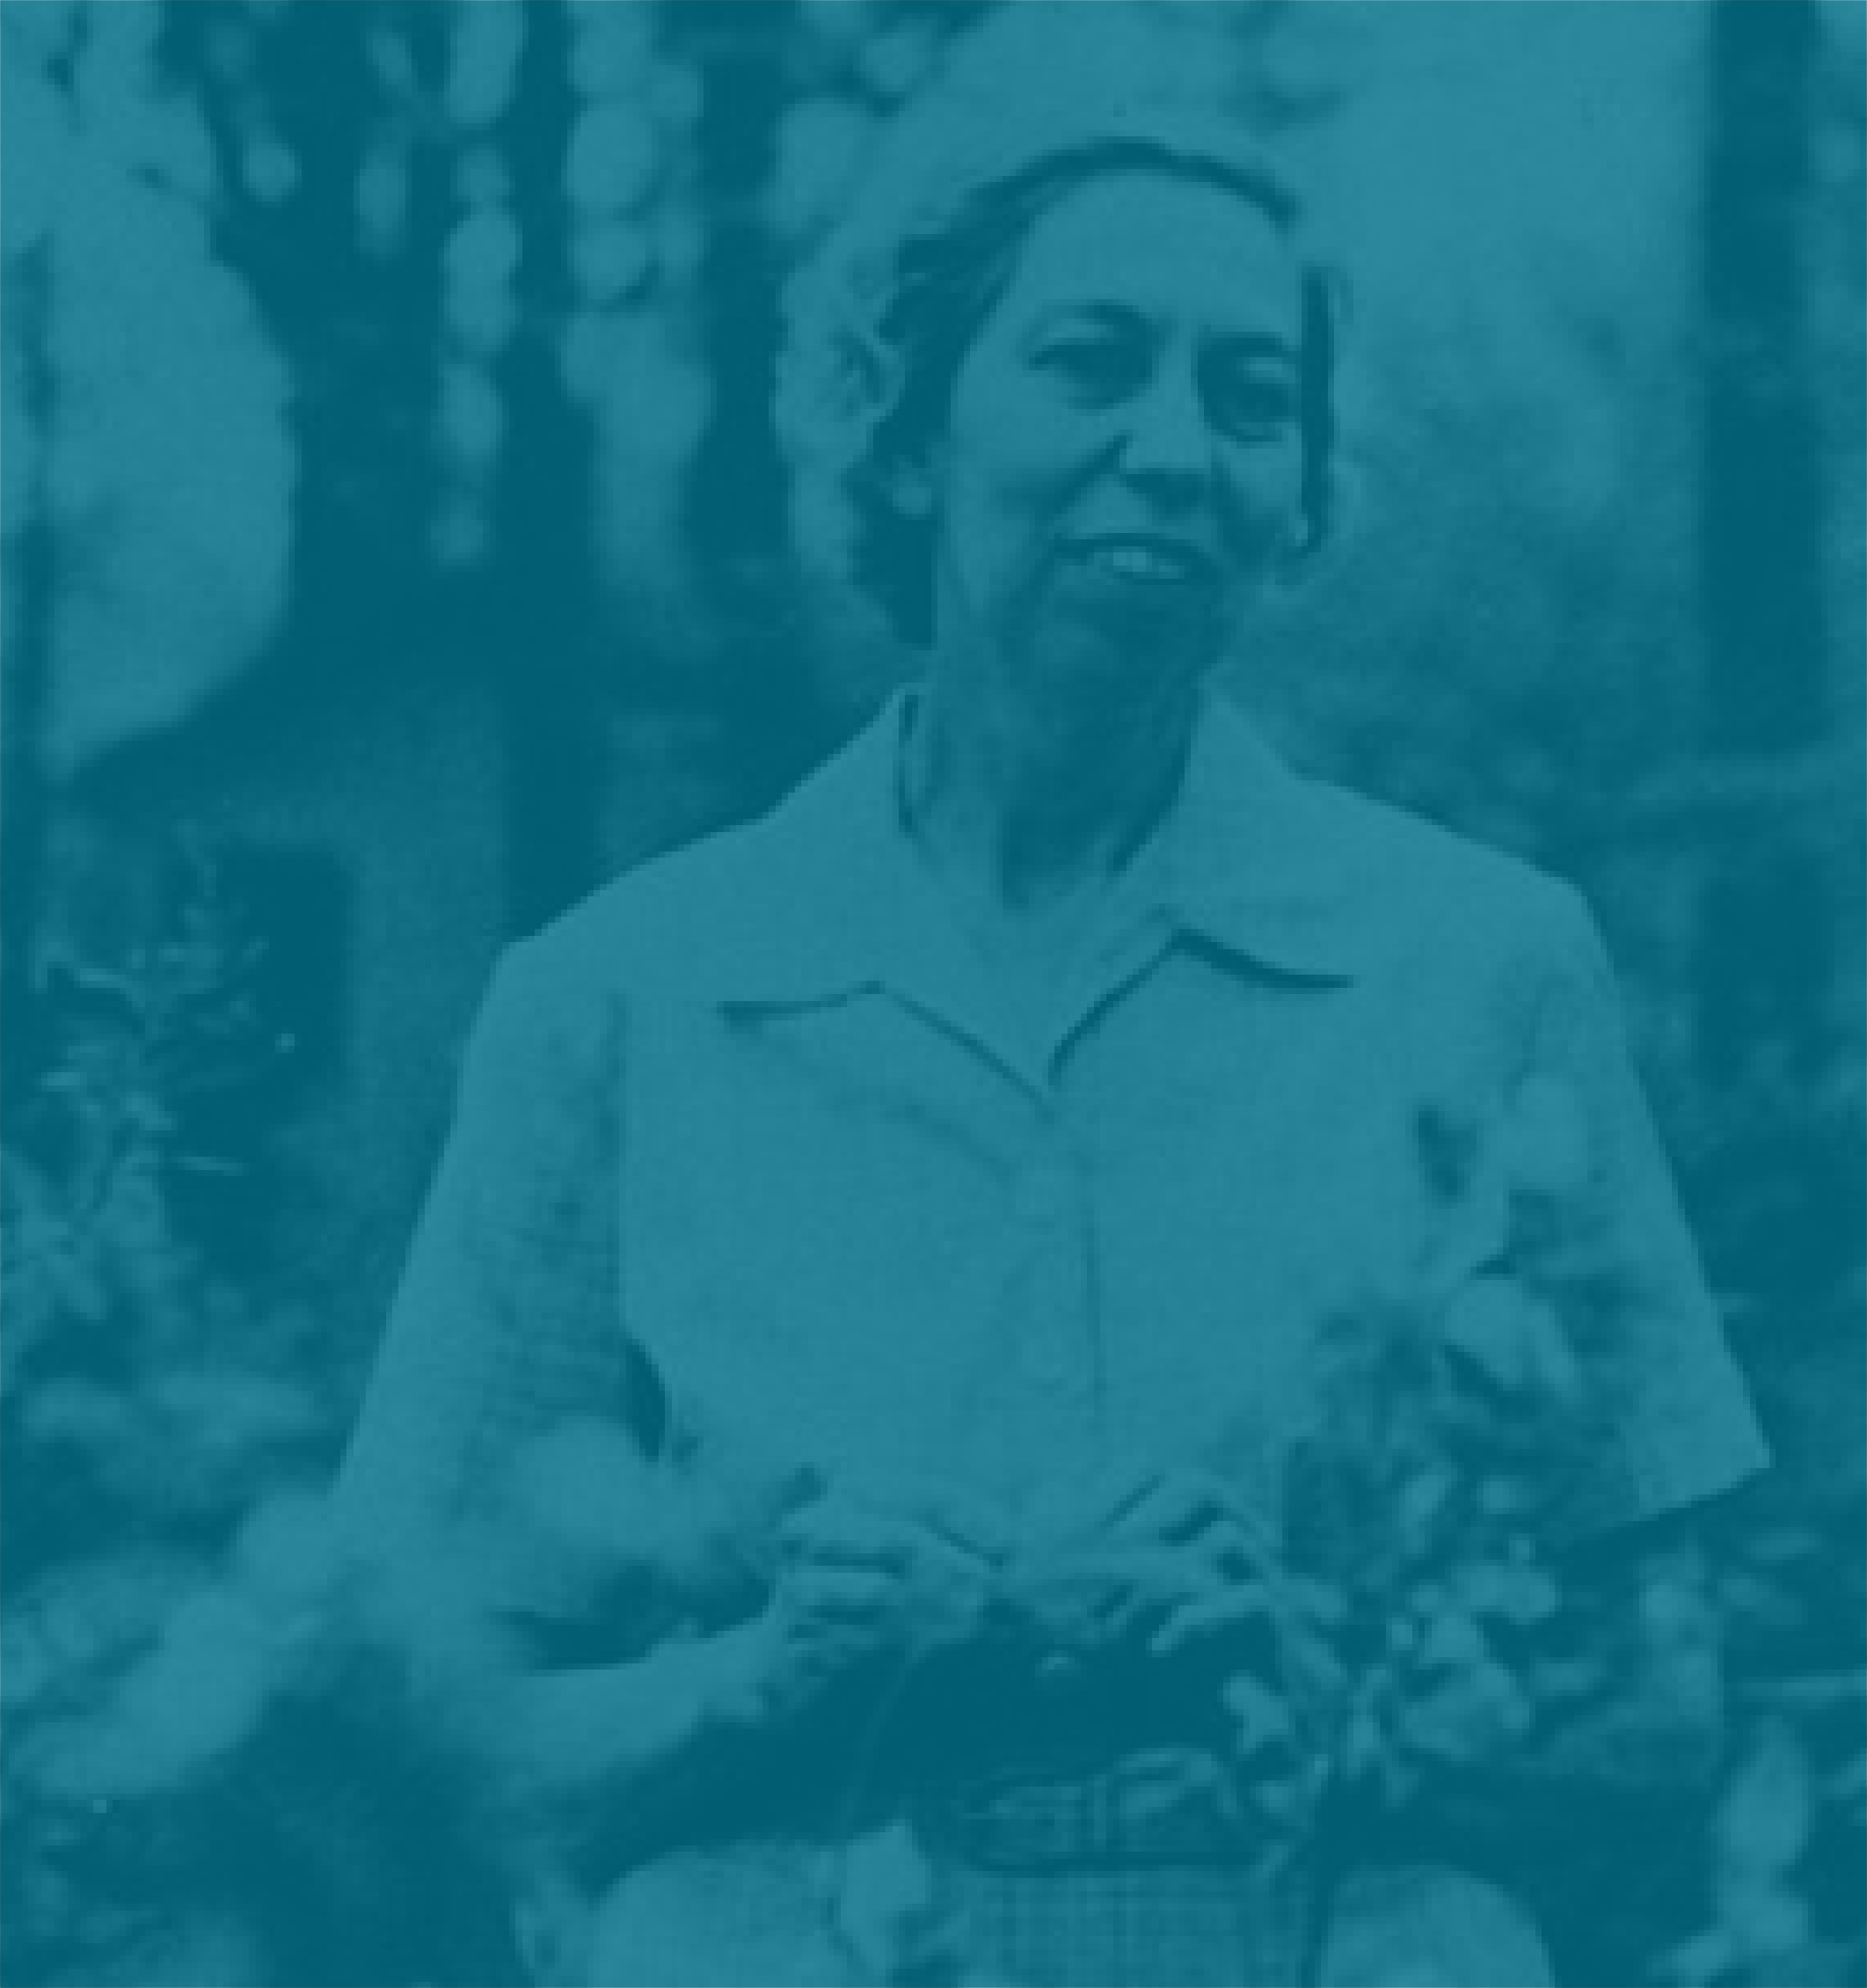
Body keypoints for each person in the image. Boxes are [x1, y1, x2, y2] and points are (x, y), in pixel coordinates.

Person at [335, 35, 1767, 1988]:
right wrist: (772, 1678)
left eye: (1249, 398)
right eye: (1091, 363)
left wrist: (1315, 1671)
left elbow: (1659, 1712)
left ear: (1294, 498)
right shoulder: (616, 1001)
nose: (1174, 448)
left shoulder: (1483, 967)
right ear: (906, 435)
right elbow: (416, 1737)